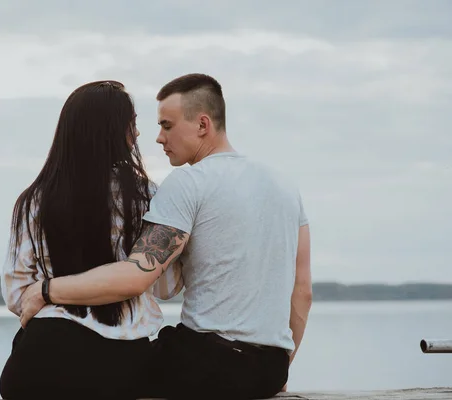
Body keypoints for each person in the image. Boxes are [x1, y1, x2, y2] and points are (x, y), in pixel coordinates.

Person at [19, 73, 313, 399]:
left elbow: (136, 276)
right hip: (270, 369)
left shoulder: (187, 183)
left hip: (205, 365)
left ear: (203, 125)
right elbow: (302, 292)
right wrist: (281, 369)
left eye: (167, 126)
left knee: (86, 365)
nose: (159, 138)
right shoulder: (285, 186)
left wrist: (46, 290)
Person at [0, 80, 180, 400]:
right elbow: (164, 287)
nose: (137, 134)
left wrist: (52, 292)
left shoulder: (33, 200)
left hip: (39, 361)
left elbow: (17, 296)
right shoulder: (149, 198)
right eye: (132, 123)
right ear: (111, 130)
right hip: (119, 364)